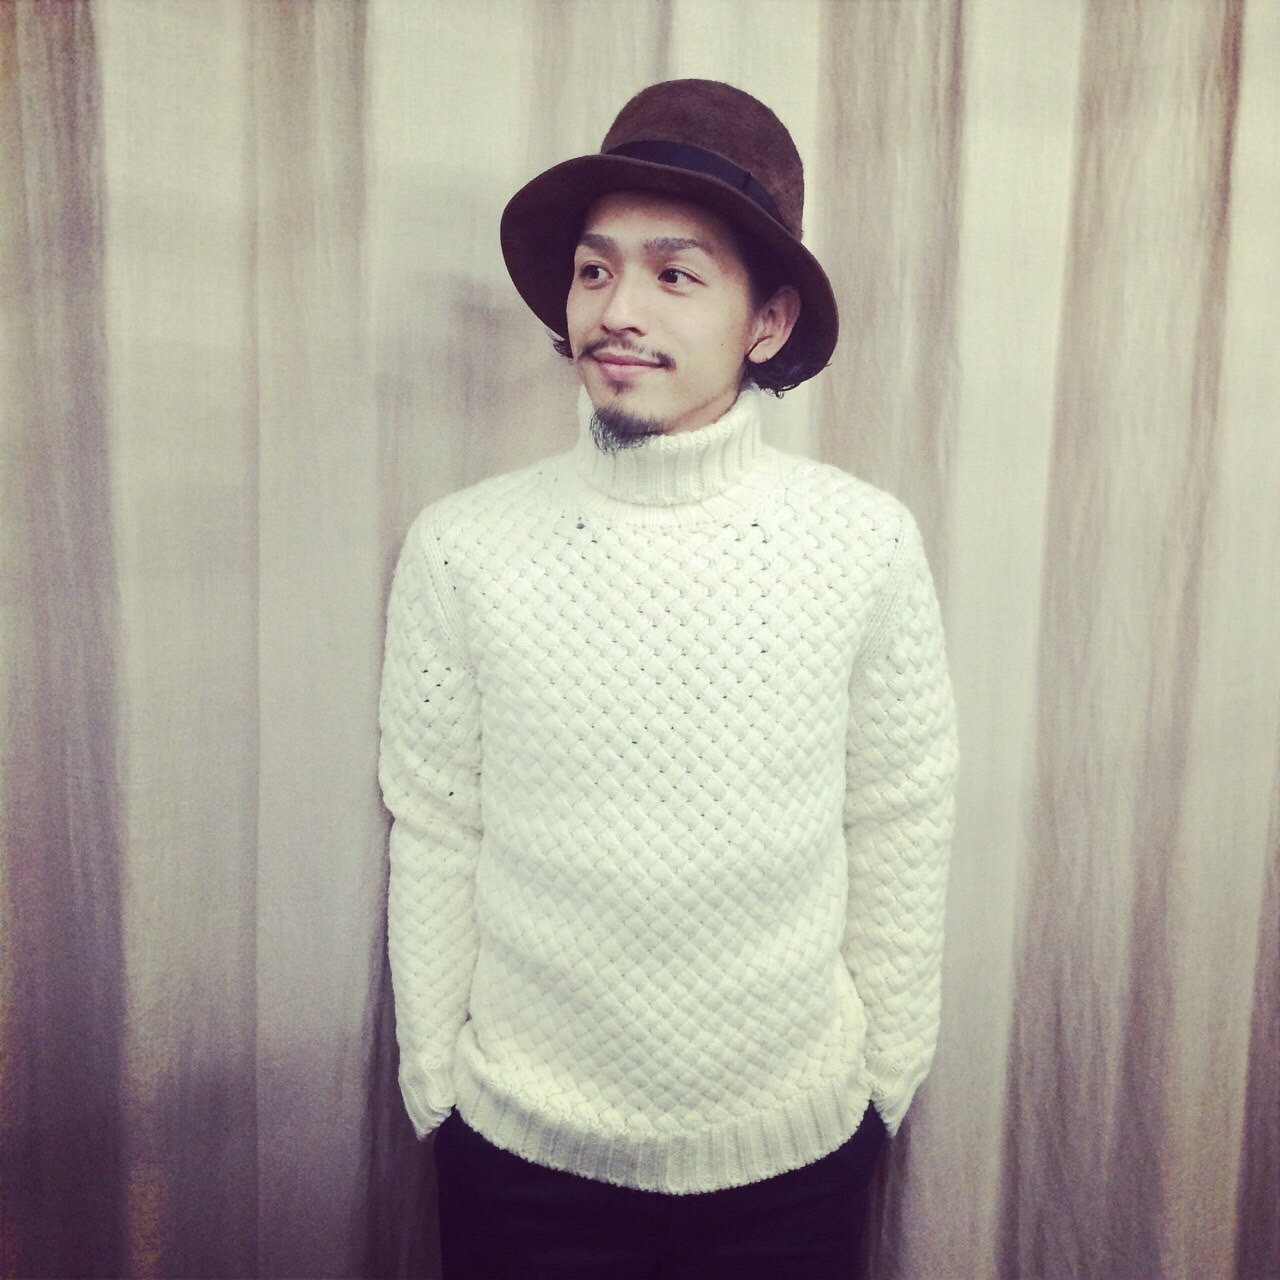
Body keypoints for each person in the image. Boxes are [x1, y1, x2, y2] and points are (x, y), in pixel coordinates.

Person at [379, 79, 958, 1279]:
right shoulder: (459, 546)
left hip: (791, 1168)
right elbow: (434, 820)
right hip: (522, 1163)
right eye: (593, 271)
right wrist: (436, 1083)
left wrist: (881, 1079)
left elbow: (900, 811)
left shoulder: (865, 543)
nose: (616, 310)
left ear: (766, 320)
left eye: (674, 274)